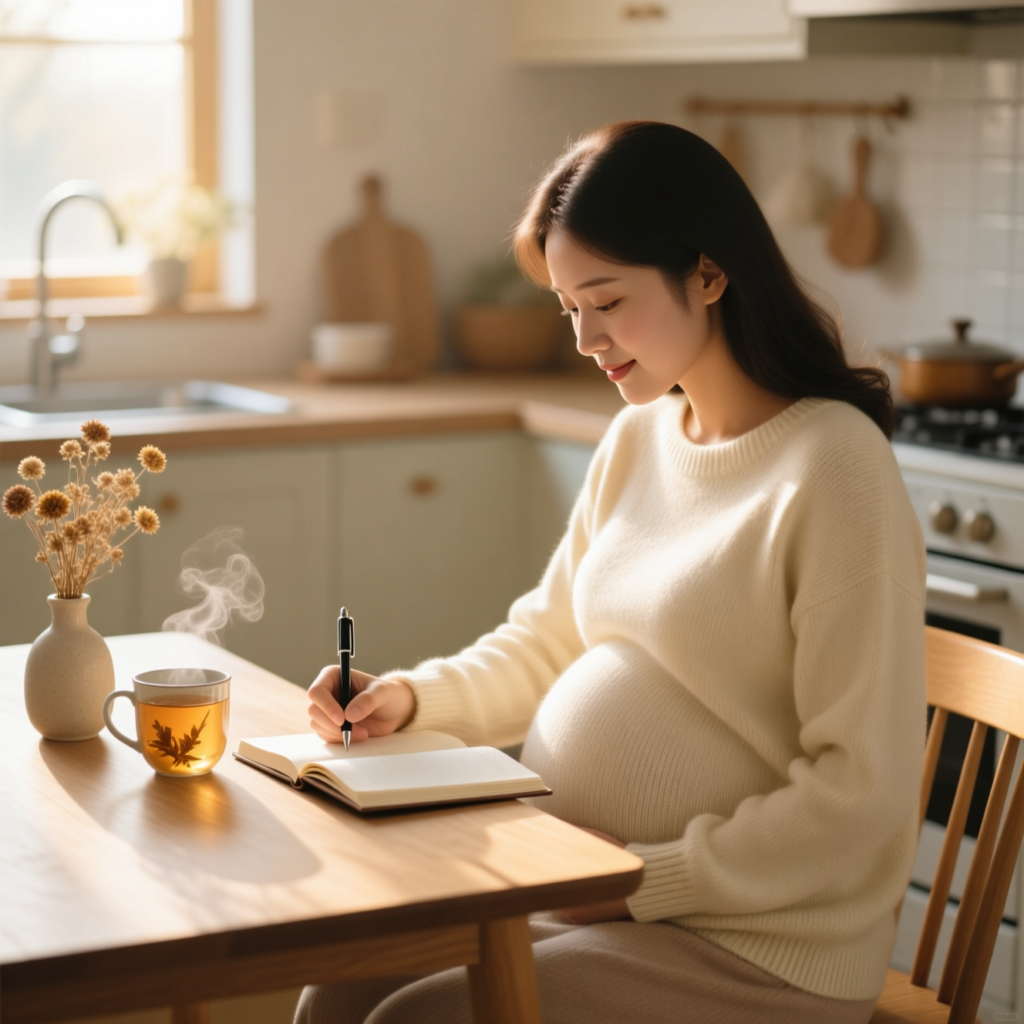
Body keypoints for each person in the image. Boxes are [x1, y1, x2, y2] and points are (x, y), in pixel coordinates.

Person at [297, 121, 926, 1024]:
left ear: (707, 274)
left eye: (608, 300)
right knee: (338, 990)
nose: (587, 337)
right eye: (568, 307)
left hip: (758, 948)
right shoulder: (638, 438)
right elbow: (548, 642)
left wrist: (638, 877)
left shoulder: (832, 469)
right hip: (591, 894)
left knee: (413, 1021)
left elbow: (859, 792)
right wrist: (408, 698)